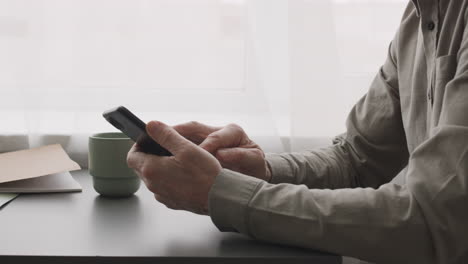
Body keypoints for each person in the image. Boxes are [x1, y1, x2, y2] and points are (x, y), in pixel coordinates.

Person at [126, 1, 468, 263]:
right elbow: (358, 160)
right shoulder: (421, 15)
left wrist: (221, 193)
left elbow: (429, 219)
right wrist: (258, 169)